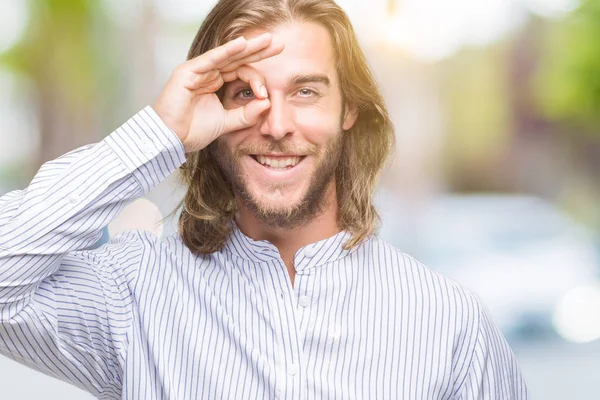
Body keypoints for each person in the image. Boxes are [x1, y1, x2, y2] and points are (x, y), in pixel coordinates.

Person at [0, 0, 528, 398]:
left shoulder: (448, 321)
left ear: (349, 111)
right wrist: (161, 133)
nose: (276, 125)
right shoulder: (132, 296)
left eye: (306, 91)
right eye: (246, 93)